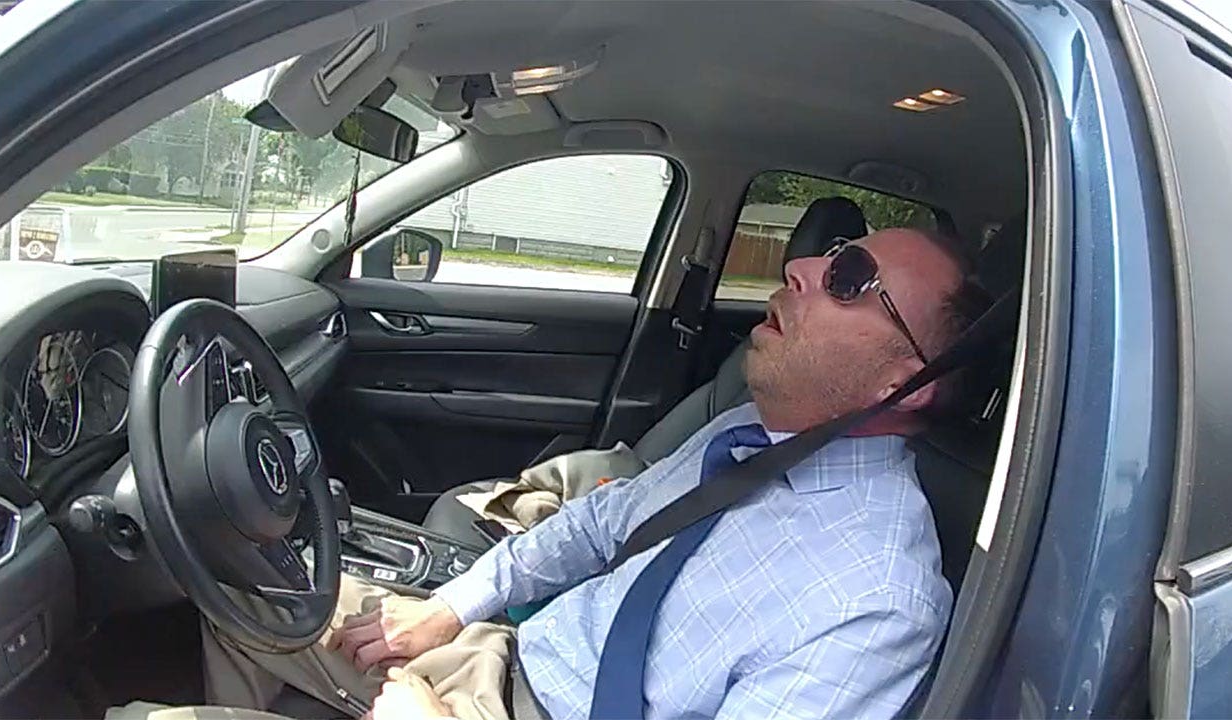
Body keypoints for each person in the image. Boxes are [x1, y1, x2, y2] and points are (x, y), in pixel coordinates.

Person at [161, 227, 988, 720]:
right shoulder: (750, 434)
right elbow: (596, 526)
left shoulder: (878, 599)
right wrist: (454, 606)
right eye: (830, 253)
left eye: (850, 280)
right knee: (241, 589)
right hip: (507, 657)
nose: (801, 267)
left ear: (906, 381)